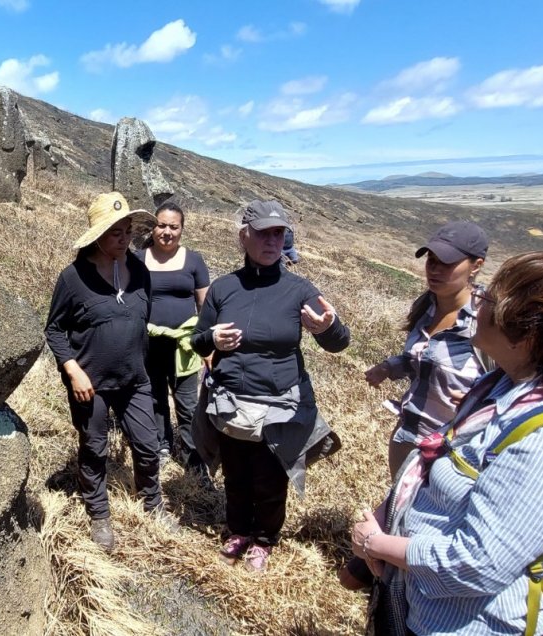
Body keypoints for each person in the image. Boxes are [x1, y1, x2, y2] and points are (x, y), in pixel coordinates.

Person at [351, 251, 543, 636]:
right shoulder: (500, 387)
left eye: (489, 298)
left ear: (526, 333)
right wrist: (387, 516)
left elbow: (473, 565)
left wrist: (377, 545)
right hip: (421, 606)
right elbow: (435, 467)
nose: (476, 303)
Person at [192, 199, 350, 573]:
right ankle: (238, 530)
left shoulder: (298, 289)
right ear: (244, 236)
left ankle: (264, 539)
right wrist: (213, 339)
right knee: (235, 474)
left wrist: (327, 328)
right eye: (263, 233)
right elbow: (197, 340)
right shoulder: (224, 288)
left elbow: (340, 342)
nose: (272, 241)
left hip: (280, 405)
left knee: (271, 477)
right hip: (231, 403)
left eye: (279, 233)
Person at [44, 192, 165, 552]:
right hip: (91, 384)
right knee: (94, 448)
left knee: (148, 446)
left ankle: (153, 505)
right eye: (116, 232)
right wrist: (73, 370)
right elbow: (54, 330)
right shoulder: (73, 278)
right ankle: (99, 515)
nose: (124, 238)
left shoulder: (140, 271)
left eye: (127, 231)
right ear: (97, 235)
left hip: (135, 379)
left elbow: (141, 318)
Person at [365, 221, 490, 477]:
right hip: (408, 436)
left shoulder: (489, 320)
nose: (434, 269)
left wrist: (478, 402)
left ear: (476, 265)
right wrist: (390, 367)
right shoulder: (427, 306)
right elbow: (423, 357)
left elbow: (513, 386)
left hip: (455, 452)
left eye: (447, 263)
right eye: (431, 260)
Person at [136, 201, 211, 476]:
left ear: (182, 230)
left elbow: (205, 306)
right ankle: (162, 447)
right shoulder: (138, 259)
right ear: (153, 228)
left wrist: (208, 346)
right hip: (148, 344)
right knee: (155, 399)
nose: (167, 232)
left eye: (173, 227)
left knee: (188, 404)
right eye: (161, 225)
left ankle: (194, 460)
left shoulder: (194, 261)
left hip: (184, 347)